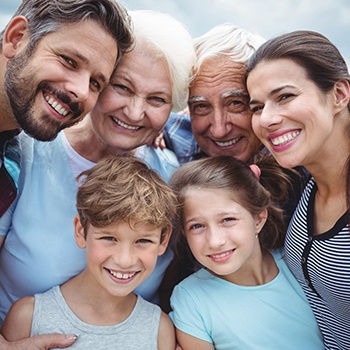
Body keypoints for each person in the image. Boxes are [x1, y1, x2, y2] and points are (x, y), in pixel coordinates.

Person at [0, 9, 195, 325]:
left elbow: (170, 294)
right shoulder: (25, 151)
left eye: (157, 99)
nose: (134, 112)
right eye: (122, 87)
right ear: (98, 80)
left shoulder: (171, 178)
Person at [0, 0, 133, 348]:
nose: (80, 90)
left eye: (96, 83)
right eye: (69, 61)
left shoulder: (13, 154)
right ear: (16, 38)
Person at [1, 155, 177, 349]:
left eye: (143, 241)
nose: (125, 260)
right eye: (109, 238)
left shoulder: (159, 328)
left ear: (163, 239)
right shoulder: (29, 316)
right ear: (81, 231)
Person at [245, 30, 350, 349]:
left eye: (285, 97)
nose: (267, 119)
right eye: (257, 107)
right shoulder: (307, 184)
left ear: (339, 94)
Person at [168, 155, 323, 350]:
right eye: (197, 226)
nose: (215, 241)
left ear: (258, 219)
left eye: (228, 220)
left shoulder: (298, 265)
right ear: (184, 231)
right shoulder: (190, 298)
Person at [163, 23, 265, 164]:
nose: (219, 131)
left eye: (236, 103)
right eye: (201, 106)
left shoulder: (300, 160)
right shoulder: (173, 135)